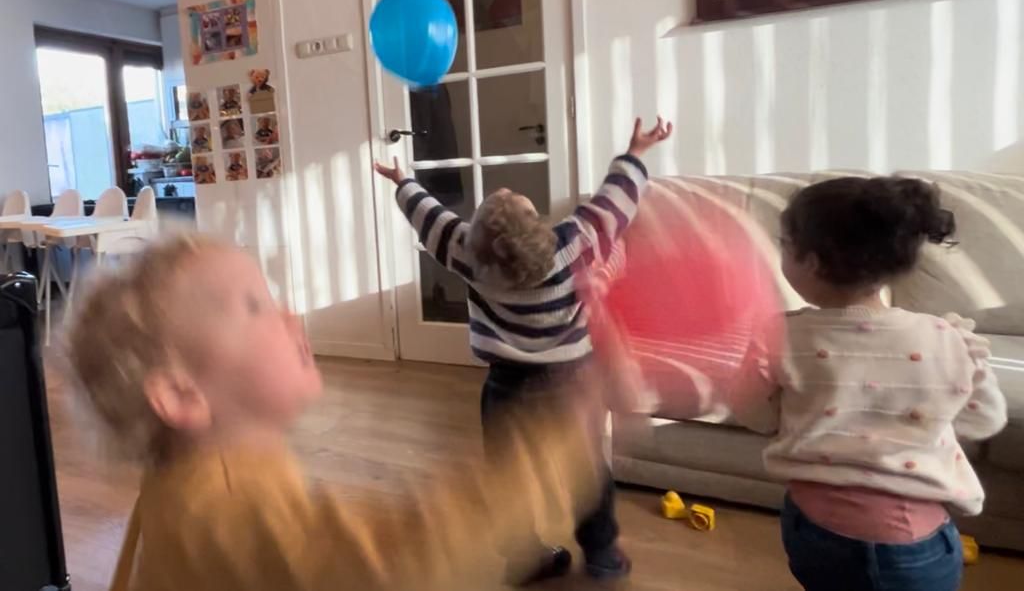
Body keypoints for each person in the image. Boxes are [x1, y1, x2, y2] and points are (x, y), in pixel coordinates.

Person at [67, 235, 604, 591]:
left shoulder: (174, 479)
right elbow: (402, 560)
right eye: (254, 306)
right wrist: (560, 439)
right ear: (182, 395)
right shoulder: (231, 507)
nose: (290, 315)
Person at [375, 117, 673, 584]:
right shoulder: (574, 244)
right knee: (587, 471)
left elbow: (430, 219)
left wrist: (403, 183)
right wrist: (635, 152)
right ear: (540, 228)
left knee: (508, 477)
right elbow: (616, 201)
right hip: (571, 385)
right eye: (514, 200)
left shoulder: (469, 255)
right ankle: (602, 556)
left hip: (506, 387)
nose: (506, 189)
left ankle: (523, 557)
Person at [730, 177, 1008, 591]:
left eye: (784, 245)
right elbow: (984, 420)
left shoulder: (779, 335)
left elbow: (753, 415)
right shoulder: (946, 339)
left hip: (814, 529)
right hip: (914, 543)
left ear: (812, 262)